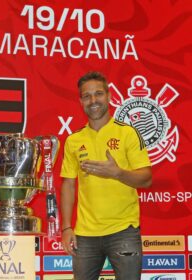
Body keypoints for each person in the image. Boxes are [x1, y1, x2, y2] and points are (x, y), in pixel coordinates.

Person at [60, 71, 152, 280]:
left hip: (123, 231)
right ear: (81, 101)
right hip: (85, 234)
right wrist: (66, 228)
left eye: (98, 94)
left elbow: (146, 178)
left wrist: (117, 173)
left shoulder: (127, 133)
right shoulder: (73, 140)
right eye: (87, 96)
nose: (93, 100)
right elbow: (68, 185)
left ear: (109, 97)